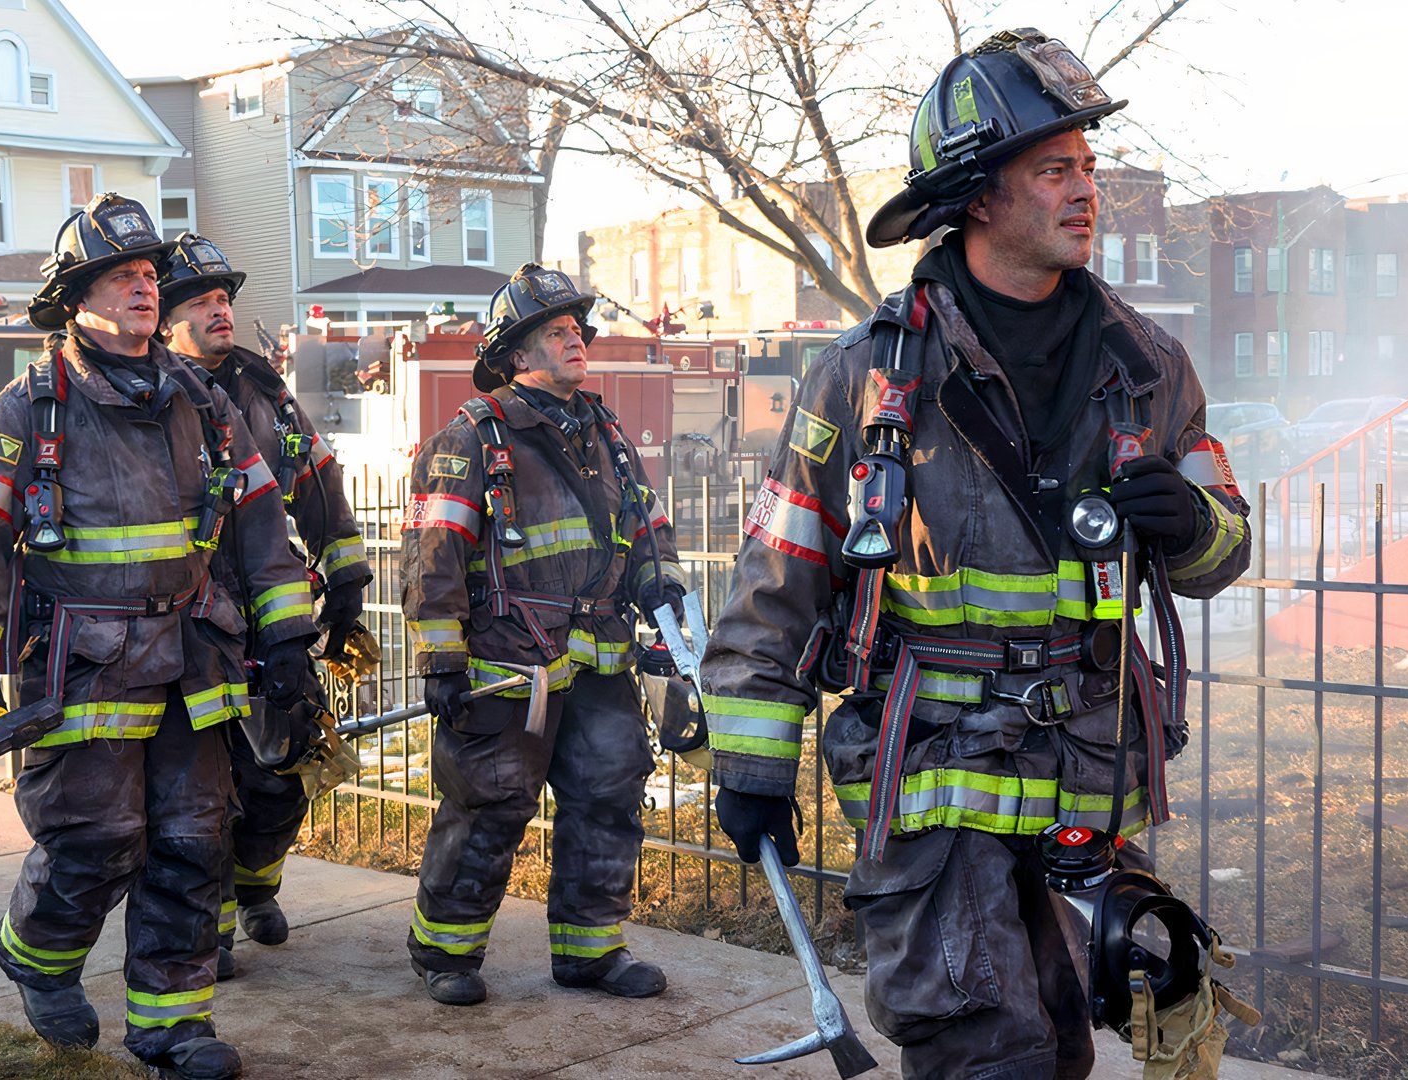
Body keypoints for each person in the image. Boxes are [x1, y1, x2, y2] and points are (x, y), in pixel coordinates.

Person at [700, 30, 1252, 1080]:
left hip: (1083, 783)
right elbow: (779, 579)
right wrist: (753, 763)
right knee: (981, 1052)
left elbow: (1223, 543)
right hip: (931, 778)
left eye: (1087, 167)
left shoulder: (1148, 368)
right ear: (980, 197)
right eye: (1054, 169)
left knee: (1059, 1041)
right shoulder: (865, 379)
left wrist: (1187, 523)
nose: (1086, 190)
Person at [0, 194, 316, 1080]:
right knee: (94, 840)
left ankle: (173, 1031)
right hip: (85, 664)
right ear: (78, 298)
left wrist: (288, 635)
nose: (145, 289)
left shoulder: (202, 400)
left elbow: (261, 522)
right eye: (122, 276)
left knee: (194, 842)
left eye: (149, 275)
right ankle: (38, 956)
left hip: (197, 658)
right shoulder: (31, 409)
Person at [399, 264, 683, 1006]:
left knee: (610, 792)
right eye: (556, 332)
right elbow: (434, 557)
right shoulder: (473, 436)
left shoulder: (604, 430)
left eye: (577, 330)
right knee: (491, 803)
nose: (576, 340)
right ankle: (444, 953)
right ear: (518, 356)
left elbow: (646, 522)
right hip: (506, 663)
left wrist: (664, 585)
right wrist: (440, 657)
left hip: (595, 657)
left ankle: (591, 952)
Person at [155, 233, 370, 979]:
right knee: (202, 791)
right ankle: (206, 931)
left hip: (270, 619)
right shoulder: (147, 391)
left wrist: (345, 586)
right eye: (204, 302)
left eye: (225, 300)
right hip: (184, 629)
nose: (221, 312)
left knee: (284, 774)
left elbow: (317, 481)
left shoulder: (264, 389)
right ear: (165, 319)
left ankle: (256, 885)